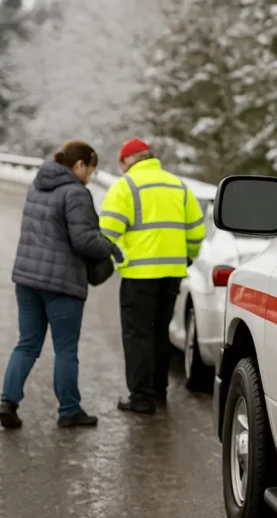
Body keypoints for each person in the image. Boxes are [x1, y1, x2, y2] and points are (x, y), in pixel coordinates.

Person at [0, 141, 124, 430]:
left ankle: (8, 402)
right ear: (79, 165)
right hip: (62, 284)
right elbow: (84, 239)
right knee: (65, 348)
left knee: (27, 344)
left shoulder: (37, 186)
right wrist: (111, 247)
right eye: (91, 169)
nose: (91, 175)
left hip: (27, 279)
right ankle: (69, 410)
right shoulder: (76, 193)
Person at [99, 138, 206, 415]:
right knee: (160, 333)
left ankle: (141, 398)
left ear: (126, 162)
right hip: (172, 274)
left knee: (138, 335)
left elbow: (107, 233)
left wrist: (112, 258)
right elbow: (196, 231)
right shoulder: (178, 186)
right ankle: (159, 392)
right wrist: (187, 256)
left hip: (139, 275)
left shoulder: (125, 186)